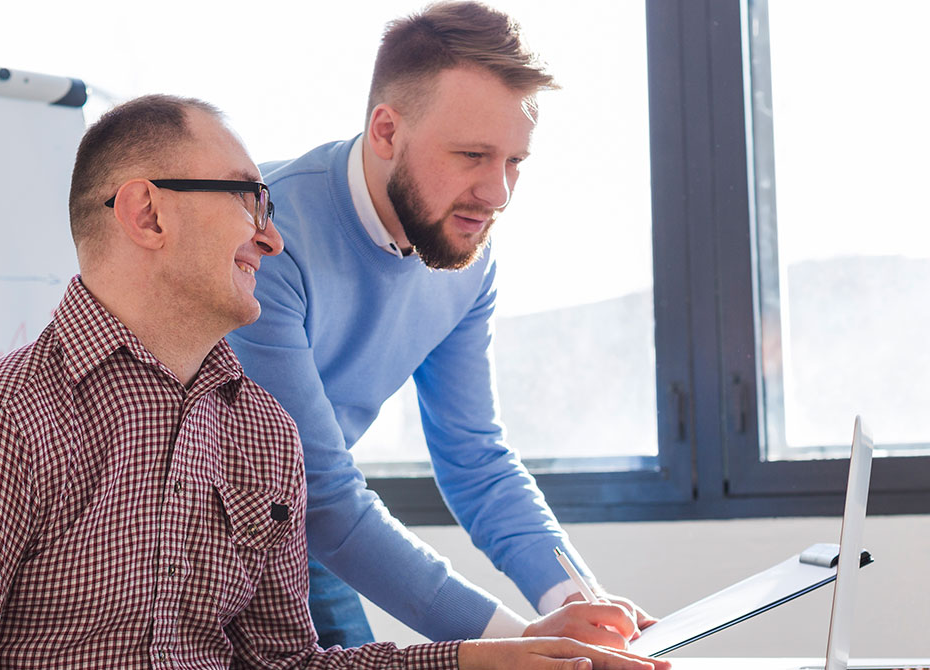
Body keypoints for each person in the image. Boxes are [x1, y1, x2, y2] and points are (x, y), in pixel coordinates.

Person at [0, 94, 667, 670]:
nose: (272, 240)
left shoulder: (262, 435)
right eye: (248, 203)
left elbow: (289, 665)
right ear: (147, 213)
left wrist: (497, 659)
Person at [226, 1, 655, 650]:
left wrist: (583, 607)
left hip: (305, 527)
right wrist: (518, 644)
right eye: (472, 154)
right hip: (193, 535)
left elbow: (475, 458)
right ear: (386, 132)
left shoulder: (465, 256)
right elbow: (325, 495)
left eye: (514, 161)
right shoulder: (266, 238)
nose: (498, 193)